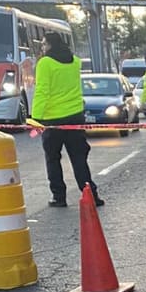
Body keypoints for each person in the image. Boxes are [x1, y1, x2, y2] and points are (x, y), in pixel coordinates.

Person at [31, 32, 103, 207]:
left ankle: (59, 197)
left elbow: (42, 91)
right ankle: (91, 194)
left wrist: (35, 118)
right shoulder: (74, 61)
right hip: (75, 116)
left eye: (43, 44)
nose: (42, 48)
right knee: (79, 158)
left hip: (52, 119)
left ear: (49, 45)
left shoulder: (45, 63)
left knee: (53, 159)